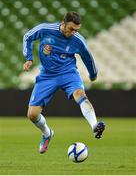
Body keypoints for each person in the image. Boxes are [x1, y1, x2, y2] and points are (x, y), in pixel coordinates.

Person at [23, 11, 105, 154]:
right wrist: (29, 58)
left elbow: (88, 58)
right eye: (71, 29)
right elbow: (28, 37)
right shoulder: (46, 29)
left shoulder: (78, 40)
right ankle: (47, 134)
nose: (73, 32)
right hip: (47, 75)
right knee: (32, 115)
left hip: (68, 73)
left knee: (80, 94)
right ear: (63, 23)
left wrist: (93, 75)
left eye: (76, 30)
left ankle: (94, 125)